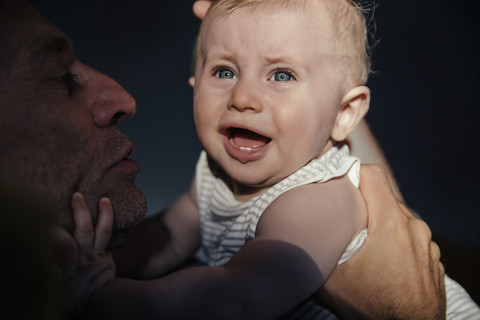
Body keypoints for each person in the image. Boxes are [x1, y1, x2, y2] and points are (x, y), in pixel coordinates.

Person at [0, 0, 450, 318]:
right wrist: (99, 262)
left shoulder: (317, 200)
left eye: (282, 74)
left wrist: (101, 294)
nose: (244, 97)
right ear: (194, 82)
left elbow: (234, 301)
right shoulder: (215, 173)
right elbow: (167, 238)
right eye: (225, 71)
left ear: (344, 113)